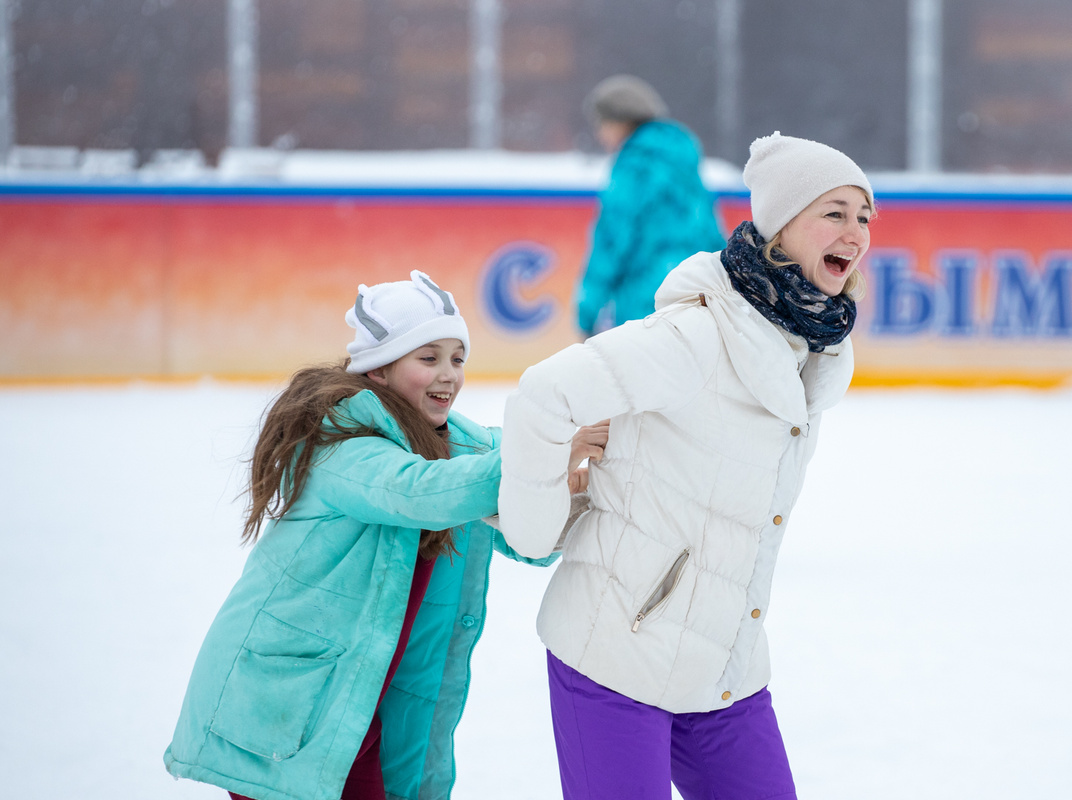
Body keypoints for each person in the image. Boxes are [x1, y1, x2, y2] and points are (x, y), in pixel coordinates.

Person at [498, 133, 874, 799]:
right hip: (613, 656)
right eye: (834, 212)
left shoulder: (808, 351)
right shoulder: (696, 336)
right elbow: (543, 397)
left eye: (865, 216)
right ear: (781, 224)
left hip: (723, 672)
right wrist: (532, 531)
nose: (856, 231)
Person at [163, 271, 605, 800]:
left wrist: (577, 491)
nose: (449, 374)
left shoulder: (458, 447)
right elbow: (419, 493)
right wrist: (552, 452)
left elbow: (527, 533)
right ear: (378, 368)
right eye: (428, 357)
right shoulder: (342, 442)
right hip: (293, 707)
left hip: (363, 710)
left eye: (457, 357)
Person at [575, 74, 726, 337]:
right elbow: (711, 234)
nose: (600, 135)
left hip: (646, 304)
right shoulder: (684, 161)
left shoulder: (634, 165)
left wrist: (587, 312)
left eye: (602, 124)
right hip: (697, 302)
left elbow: (612, 240)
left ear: (621, 122)